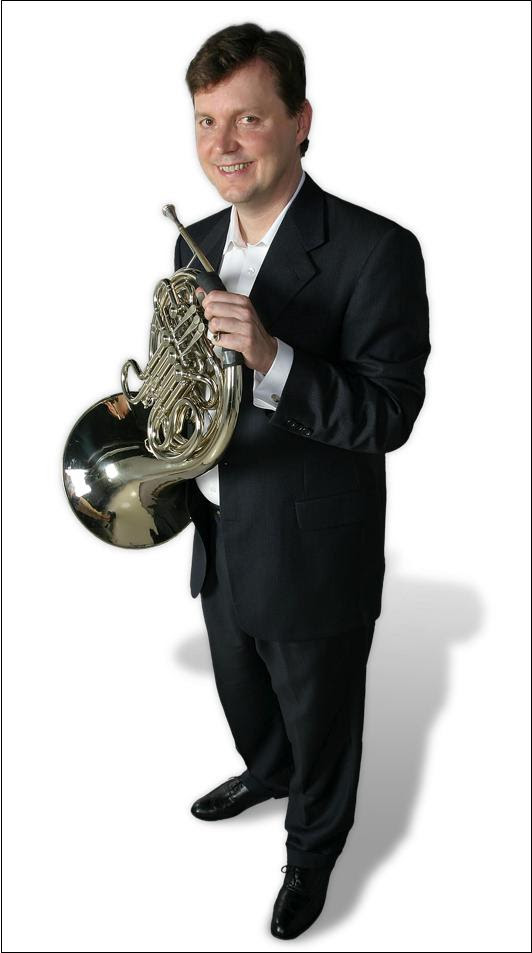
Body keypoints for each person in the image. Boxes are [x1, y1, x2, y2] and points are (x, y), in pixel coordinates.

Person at [173, 23, 431, 940]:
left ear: (300, 121)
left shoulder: (376, 249)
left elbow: (389, 414)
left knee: (322, 720)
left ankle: (313, 848)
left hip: (313, 547)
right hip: (220, 530)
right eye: (206, 121)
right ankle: (267, 769)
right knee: (245, 692)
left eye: (248, 118)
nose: (223, 144)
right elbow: (187, 382)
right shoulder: (194, 244)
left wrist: (275, 358)